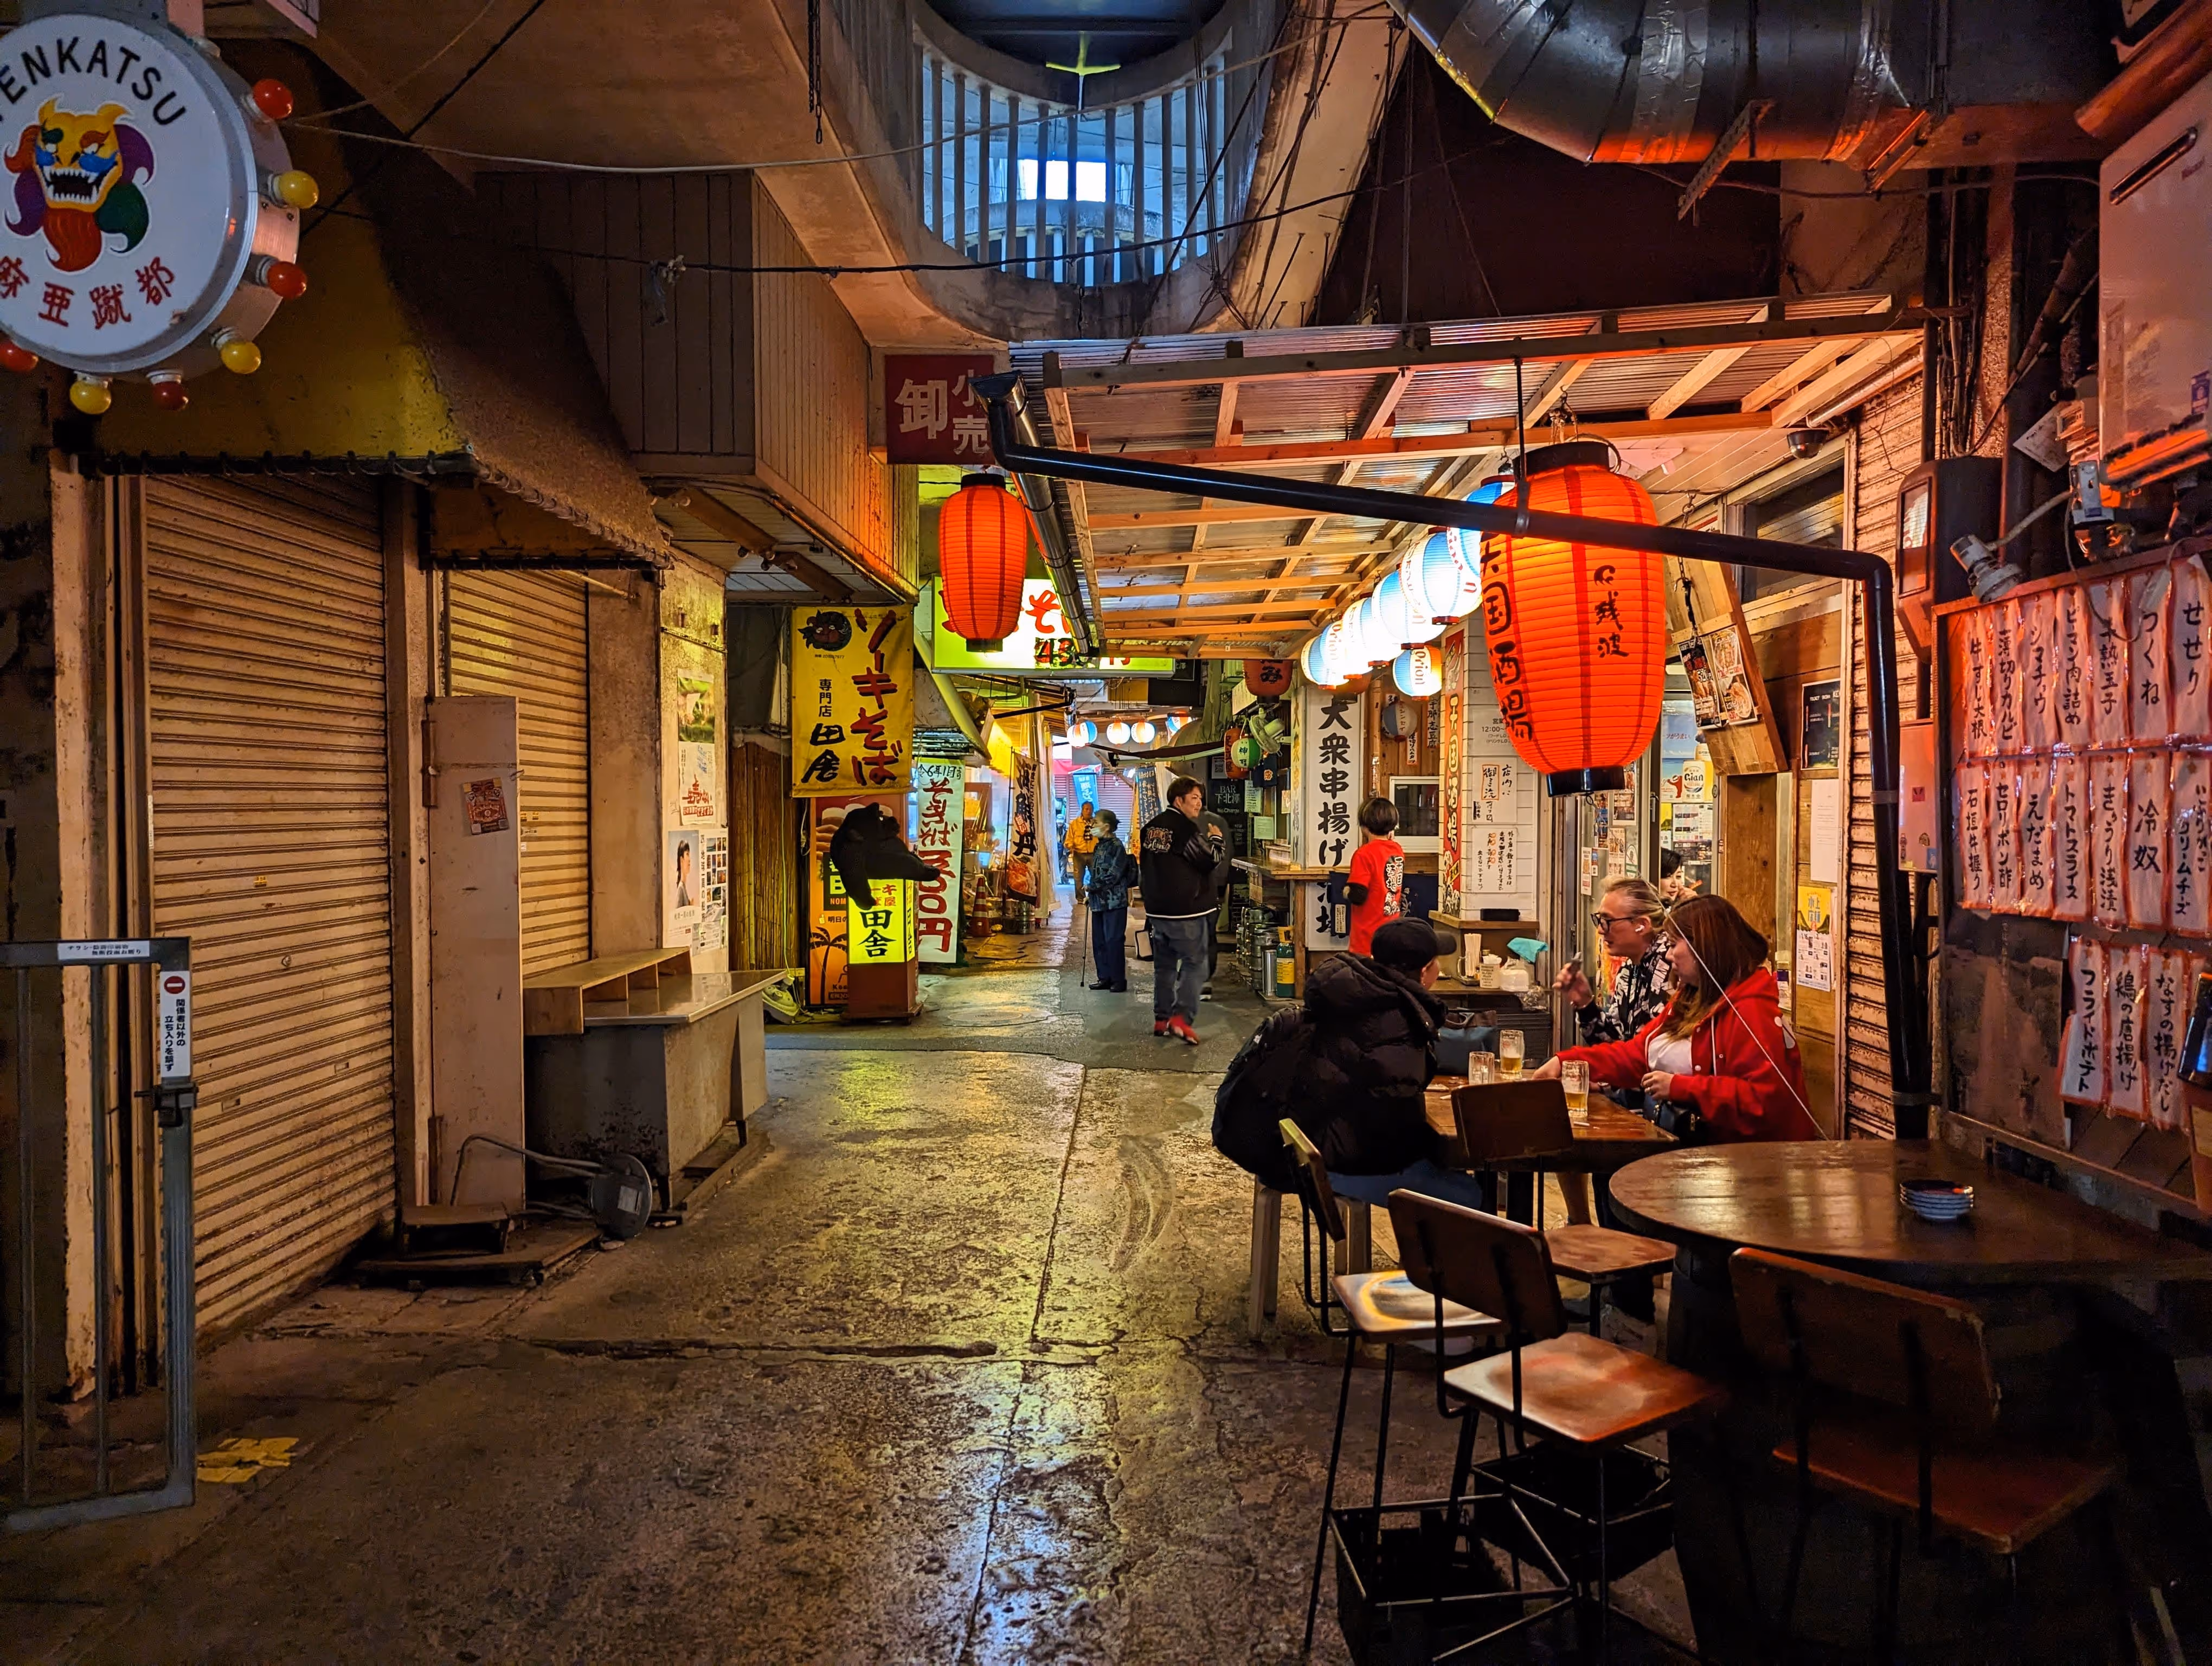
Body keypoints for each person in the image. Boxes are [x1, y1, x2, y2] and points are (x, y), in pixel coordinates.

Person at [1537, 893, 1819, 1142]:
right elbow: (1636, 1055)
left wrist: (1680, 1087)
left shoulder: (1752, 1010)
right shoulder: (1690, 995)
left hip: (1752, 1164)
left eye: (1674, 945)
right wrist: (1566, 1061)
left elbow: (1764, 1100)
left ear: (1704, 947)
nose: (1669, 956)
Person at [1301, 918, 1491, 1212]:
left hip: (1317, 1143)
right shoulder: (1399, 1022)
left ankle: (1419, 1254)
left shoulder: (1349, 996)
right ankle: (1426, 1256)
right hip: (1357, 1164)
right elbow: (1398, 1121)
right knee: (1474, 1198)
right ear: (1427, 972)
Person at [1140, 777, 1226, 1045]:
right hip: (1184, 912)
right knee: (1196, 964)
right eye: (1194, 798)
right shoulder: (1184, 829)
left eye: (1200, 798)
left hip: (1157, 911)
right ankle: (1181, 1018)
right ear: (1179, 801)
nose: (1199, 803)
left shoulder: (1150, 828)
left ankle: (1161, 1018)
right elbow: (1209, 860)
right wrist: (1216, 840)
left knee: (1164, 967)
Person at [1555, 876, 1672, 1045]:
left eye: (1608, 921)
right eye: (1599, 920)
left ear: (1642, 925)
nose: (1601, 930)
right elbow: (1614, 1044)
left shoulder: (1674, 964)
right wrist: (1585, 1003)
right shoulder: (1630, 968)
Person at [1345, 796, 1406, 956]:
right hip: (1391, 935)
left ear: (1364, 826)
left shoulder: (1363, 854)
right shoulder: (1398, 850)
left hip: (1366, 940)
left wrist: (1346, 891)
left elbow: (1358, 895)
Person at [1085, 810, 1132, 992]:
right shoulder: (1099, 846)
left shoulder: (1117, 846)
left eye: (1095, 823)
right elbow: (1096, 872)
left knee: (1113, 940)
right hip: (1099, 902)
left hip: (1114, 902)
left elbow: (1114, 875)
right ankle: (1104, 977)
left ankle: (1118, 980)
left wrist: (1092, 887)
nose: (1092, 826)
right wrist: (1091, 894)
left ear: (1106, 826)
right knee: (1100, 941)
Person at [1068, 800, 1098, 891]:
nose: (1089, 811)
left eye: (1091, 809)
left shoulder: (1096, 824)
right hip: (1078, 854)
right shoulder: (1074, 824)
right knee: (1078, 878)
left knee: (1096, 876)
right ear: (1082, 810)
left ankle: (1094, 895)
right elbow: (1069, 839)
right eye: (1086, 809)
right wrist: (1070, 847)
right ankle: (1081, 898)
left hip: (1093, 854)